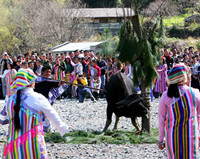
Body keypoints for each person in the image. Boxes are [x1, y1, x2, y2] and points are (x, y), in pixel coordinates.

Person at [1, 68, 71, 158]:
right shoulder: (38, 98)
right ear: (31, 83)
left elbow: (3, 119)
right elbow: (52, 116)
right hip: (33, 145)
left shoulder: (10, 100)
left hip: (13, 146)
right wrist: (63, 128)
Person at [158, 64, 200, 158]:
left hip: (172, 139)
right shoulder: (195, 93)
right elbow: (198, 117)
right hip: (191, 137)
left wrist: (161, 139)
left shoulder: (165, 96)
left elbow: (161, 120)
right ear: (185, 77)